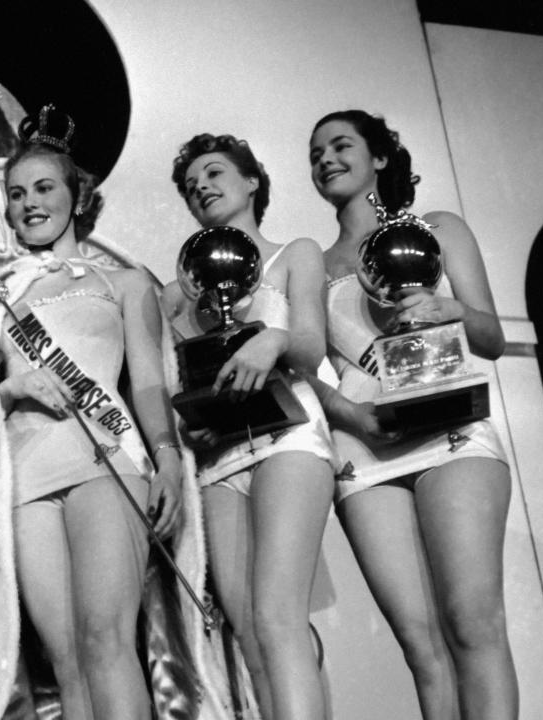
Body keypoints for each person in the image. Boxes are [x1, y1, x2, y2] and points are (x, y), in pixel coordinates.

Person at [0, 110, 183, 720]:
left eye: (44, 188)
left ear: (76, 196)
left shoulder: (123, 281)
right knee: (63, 659)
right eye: (17, 193)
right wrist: (13, 388)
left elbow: (147, 383)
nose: (30, 203)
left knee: (106, 641)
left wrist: (167, 459)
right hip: (26, 477)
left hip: (105, 461)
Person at [308, 110, 517, 720]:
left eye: (340, 145)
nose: (325, 159)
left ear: (378, 157)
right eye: (315, 153)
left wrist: (441, 306)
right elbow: (300, 372)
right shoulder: (310, 265)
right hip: (365, 448)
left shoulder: (437, 228)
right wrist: (347, 413)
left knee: (472, 623)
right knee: (422, 648)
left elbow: (491, 336)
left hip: (450, 428)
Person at [162, 133, 336, 720]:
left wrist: (273, 340)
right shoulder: (177, 293)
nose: (202, 188)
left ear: (252, 181)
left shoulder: (296, 253)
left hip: (289, 439)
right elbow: (182, 387)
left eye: (214, 174)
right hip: (219, 464)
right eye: (192, 187)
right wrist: (193, 428)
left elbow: (311, 348)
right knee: (252, 643)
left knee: (279, 620)